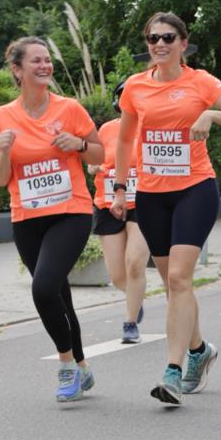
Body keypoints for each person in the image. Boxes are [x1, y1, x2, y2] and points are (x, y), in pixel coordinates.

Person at [111, 12, 221, 407]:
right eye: (153, 38)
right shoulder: (135, 88)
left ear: (183, 43)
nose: (159, 44)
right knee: (174, 284)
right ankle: (199, 350)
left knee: (178, 277)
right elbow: (125, 141)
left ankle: (172, 372)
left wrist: (211, 114)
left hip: (195, 189)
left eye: (168, 37)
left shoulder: (201, 82)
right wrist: (120, 188)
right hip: (152, 195)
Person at [0, 37, 104, 403]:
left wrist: (80, 146)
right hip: (27, 217)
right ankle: (83, 368)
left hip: (70, 211)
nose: (45, 66)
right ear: (18, 70)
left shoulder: (69, 109)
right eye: (36, 61)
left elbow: (101, 154)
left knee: (42, 287)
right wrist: (4, 150)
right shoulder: (2, 116)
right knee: (58, 296)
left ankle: (66, 364)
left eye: (48, 60)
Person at [89, 81, 150, 344]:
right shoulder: (107, 129)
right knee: (117, 276)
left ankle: (129, 322)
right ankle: (134, 300)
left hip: (143, 204)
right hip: (107, 203)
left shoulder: (151, 128)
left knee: (135, 263)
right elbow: (96, 160)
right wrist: (94, 167)